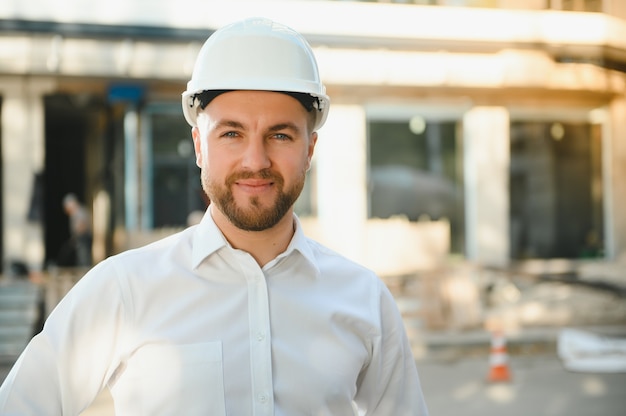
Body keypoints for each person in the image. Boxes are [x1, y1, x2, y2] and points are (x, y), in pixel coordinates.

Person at [0, 18, 429, 415]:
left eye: (280, 134)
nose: (255, 160)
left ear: (310, 150)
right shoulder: (124, 290)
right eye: (231, 134)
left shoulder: (364, 300)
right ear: (200, 146)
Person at [58, 193, 93, 267]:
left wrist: (77, 236)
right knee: (80, 257)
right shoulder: (75, 213)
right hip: (79, 238)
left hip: (83, 238)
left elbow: (82, 226)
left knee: (83, 258)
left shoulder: (80, 212)